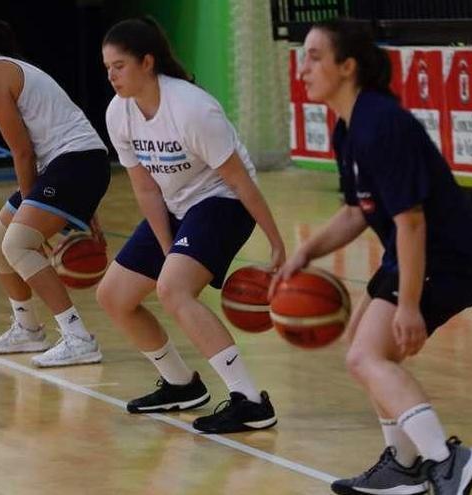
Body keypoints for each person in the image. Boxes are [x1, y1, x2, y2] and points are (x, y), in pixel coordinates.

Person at [280, 20, 472, 495]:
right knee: (362, 345)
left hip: (443, 256)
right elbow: (357, 211)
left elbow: (411, 221)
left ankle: (445, 458)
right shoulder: (348, 127)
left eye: (314, 56)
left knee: (368, 355)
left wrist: (410, 304)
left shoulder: (381, 123)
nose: (303, 67)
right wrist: (307, 252)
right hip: (413, 252)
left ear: (347, 66)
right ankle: (405, 465)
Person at [97, 18, 287, 434]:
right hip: (175, 203)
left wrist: (277, 244)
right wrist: (169, 249)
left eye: (119, 65)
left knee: (173, 289)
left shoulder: (192, 108)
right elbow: (145, 189)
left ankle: (251, 401)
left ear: (148, 63)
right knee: (113, 296)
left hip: (223, 201)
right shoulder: (118, 113)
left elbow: (241, 181)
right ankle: (181, 385)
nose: (111, 75)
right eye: (107, 67)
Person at [0, 11, 111, 367]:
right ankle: (28, 329)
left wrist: (31, 215)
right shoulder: (3, 72)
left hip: (75, 162)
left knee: (17, 244)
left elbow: (23, 152)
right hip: (72, 165)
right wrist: (81, 207)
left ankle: (78, 337)